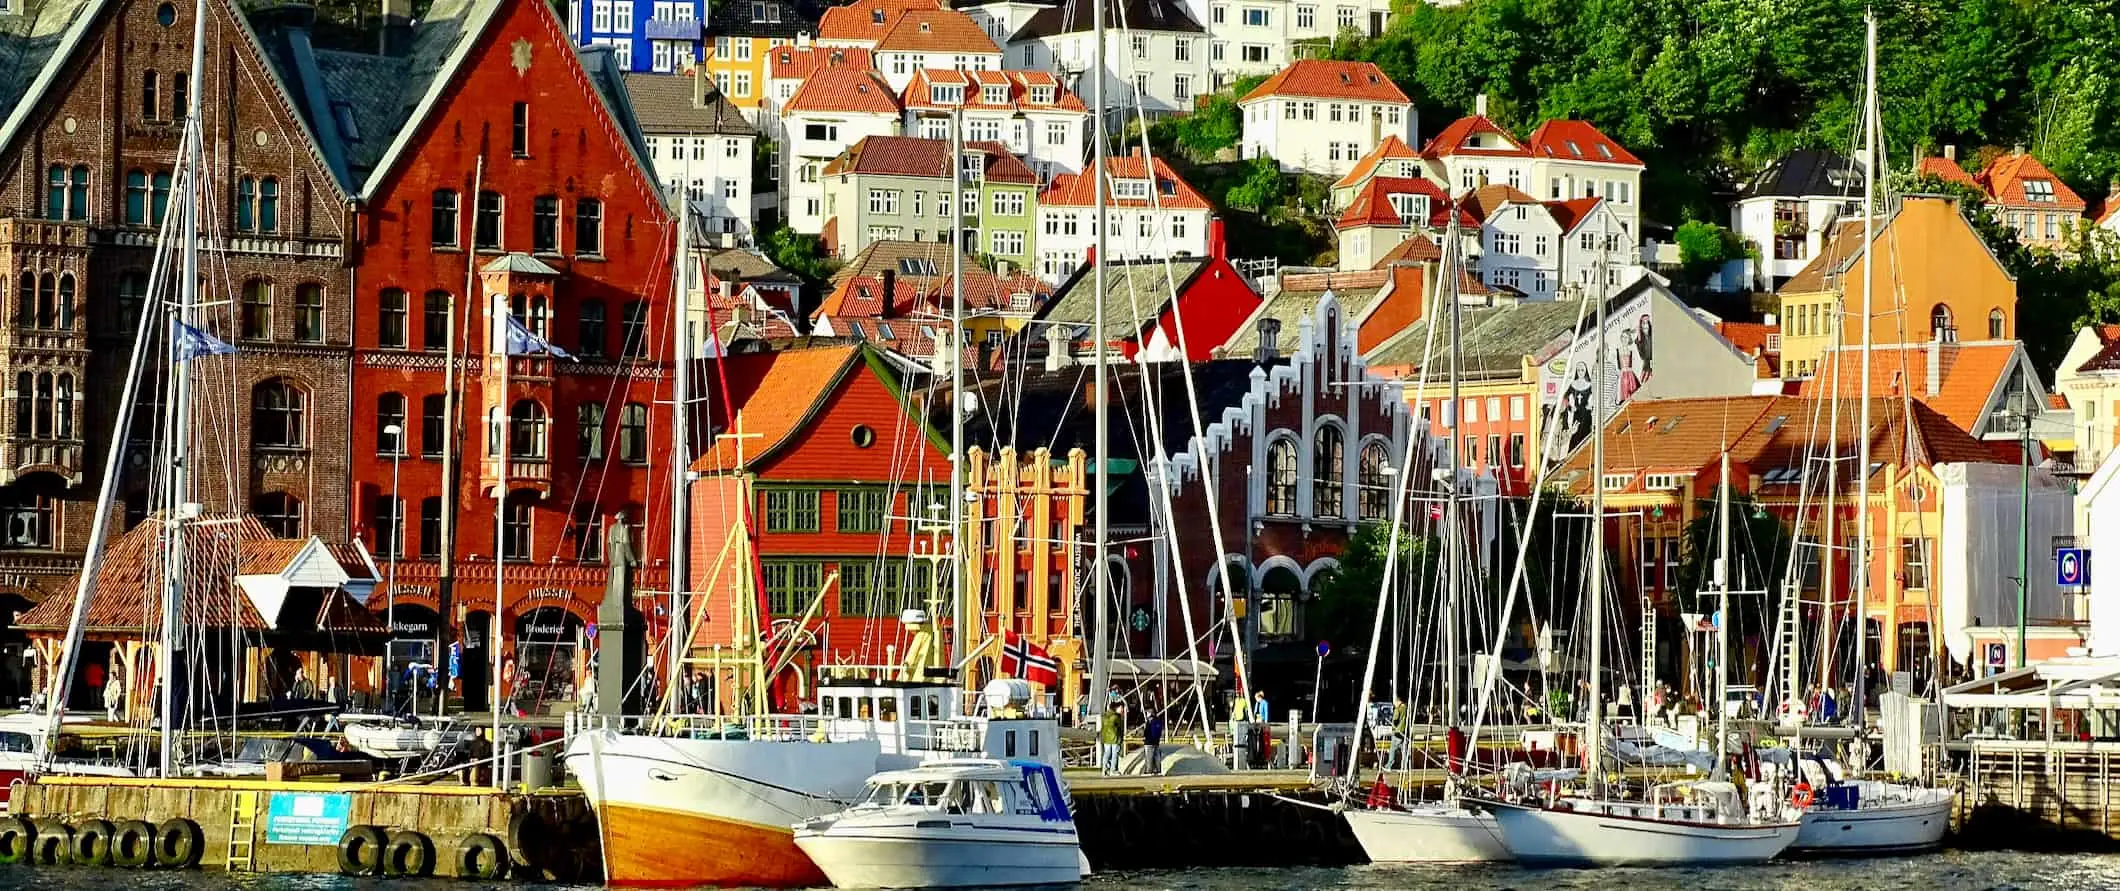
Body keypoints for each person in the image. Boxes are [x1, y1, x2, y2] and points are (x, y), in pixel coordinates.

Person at [1099, 703, 1127, 775]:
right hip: (1115, 738)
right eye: (1121, 708)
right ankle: (1113, 770)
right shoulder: (1116, 717)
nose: (1122, 710)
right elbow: (1120, 729)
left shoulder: (1105, 716)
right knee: (1115, 754)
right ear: (1116, 708)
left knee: (1107, 754)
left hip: (1106, 738)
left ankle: (1104, 769)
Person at [1141, 709, 1165, 776]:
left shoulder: (1149, 721)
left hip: (1149, 742)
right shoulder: (1158, 721)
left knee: (1149, 757)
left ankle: (1148, 771)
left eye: (1147, 713)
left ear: (1150, 713)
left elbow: (1146, 732)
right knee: (1157, 757)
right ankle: (1158, 770)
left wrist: (1145, 736)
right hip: (1156, 741)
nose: (1146, 714)